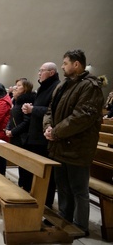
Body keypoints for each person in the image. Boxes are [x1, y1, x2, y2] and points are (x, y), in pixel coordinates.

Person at [43, 49, 104, 237]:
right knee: (63, 186)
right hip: (60, 144)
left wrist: (56, 132)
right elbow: (49, 111)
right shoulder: (64, 85)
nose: (62, 66)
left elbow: (81, 117)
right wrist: (48, 127)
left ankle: (80, 226)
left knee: (79, 189)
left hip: (78, 147)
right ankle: (64, 218)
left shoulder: (90, 86)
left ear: (76, 64)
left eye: (65, 63)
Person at [22, 62, 60, 208]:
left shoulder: (56, 87)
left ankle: (45, 204)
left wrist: (33, 109)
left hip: (44, 137)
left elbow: (52, 112)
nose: (39, 73)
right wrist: (30, 109)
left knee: (45, 176)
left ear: (51, 72)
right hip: (35, 135)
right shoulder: (43, 87)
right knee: (35, 172)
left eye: (42, 71)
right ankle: (35, 200)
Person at [5, 78, 35, 189]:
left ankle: (26, 187)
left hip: (24, 138)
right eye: (15, 85)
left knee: (25, 166)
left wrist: (13, 131)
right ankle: (22, 185)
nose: (15, 87)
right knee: (20, 164)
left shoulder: (27, 102)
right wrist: (8, 129)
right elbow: (12, 118)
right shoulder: (17, 101)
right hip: (16, 136)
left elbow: (27, 122)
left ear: (25, 88)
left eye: (19, 85)